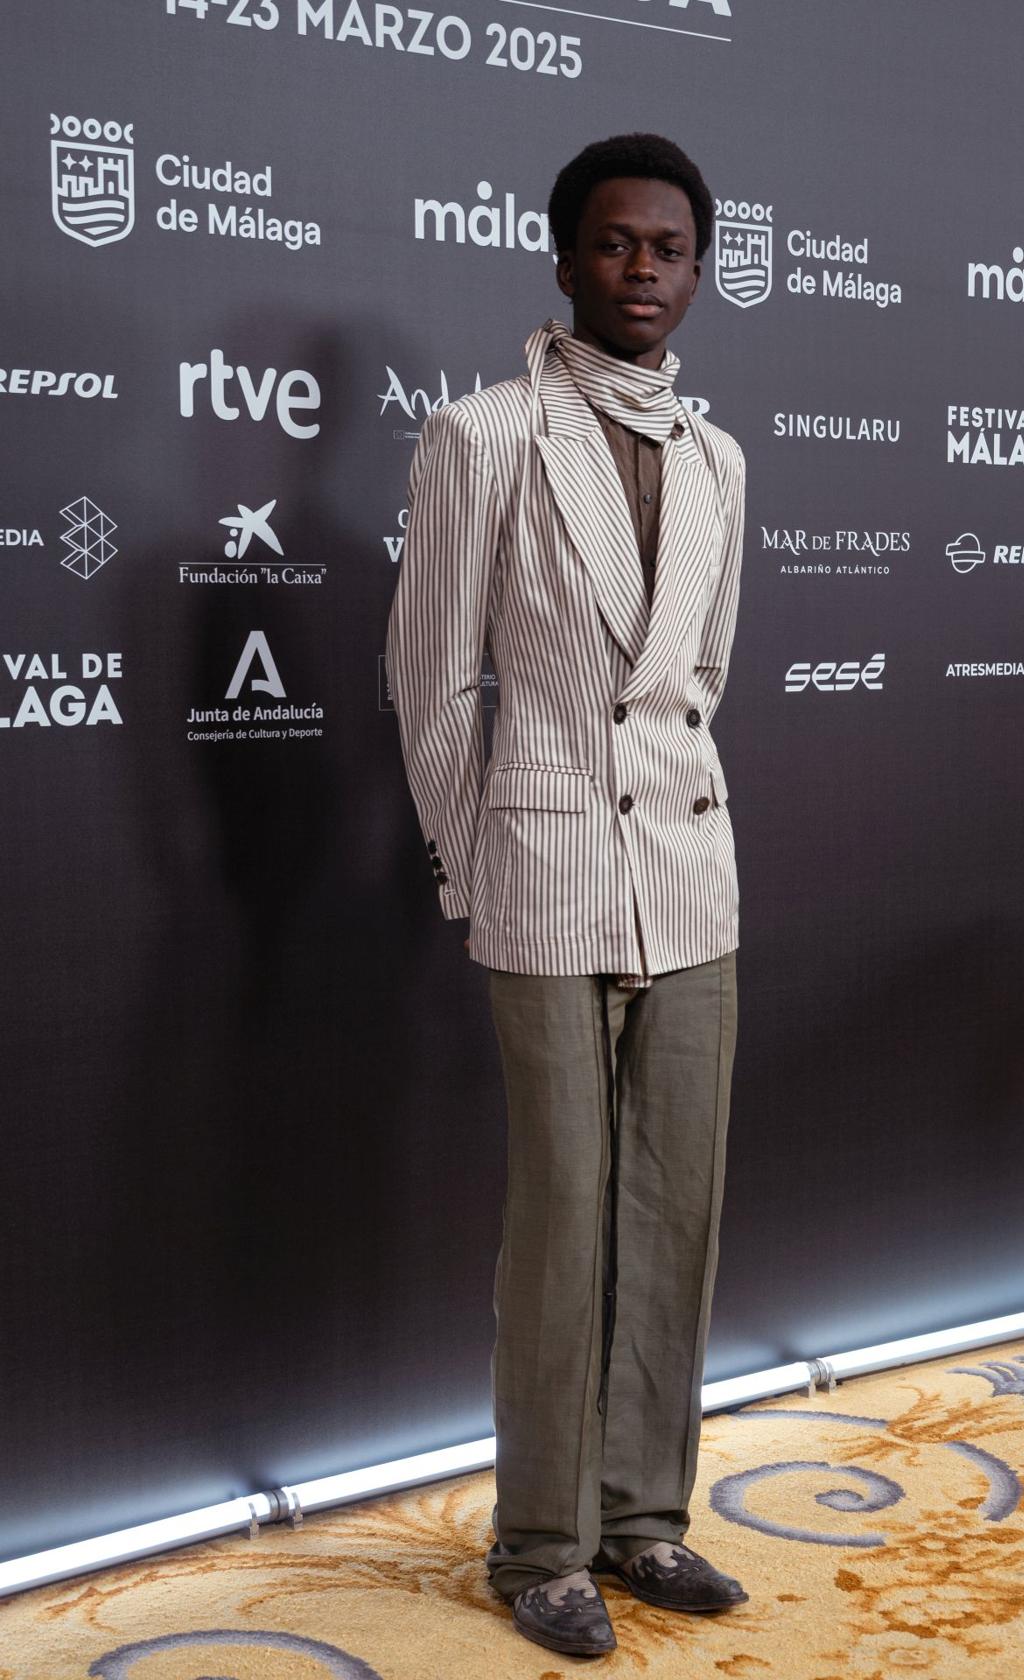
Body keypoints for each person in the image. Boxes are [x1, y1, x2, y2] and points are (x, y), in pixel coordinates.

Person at [386, 132, 747, 1658]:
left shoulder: (726, 460)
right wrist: (484, 860)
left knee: (674, 1216)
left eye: (668, 248)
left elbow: (700, 681)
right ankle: (540, 1543)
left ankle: (644, 1520)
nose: (643, 272)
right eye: (616, 245)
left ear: (698, 266)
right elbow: (430, 685)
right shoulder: (481, 438)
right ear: (563, 258)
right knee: (563, 1218)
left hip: (693, 880)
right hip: (541, 877)